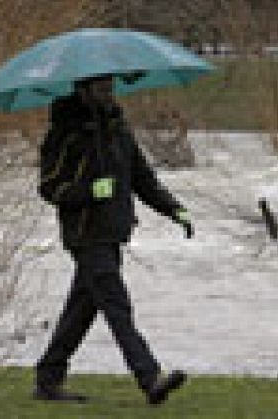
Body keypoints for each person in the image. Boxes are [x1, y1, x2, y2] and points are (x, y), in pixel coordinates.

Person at [34, 75, 193, 405]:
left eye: (110, 86)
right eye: (101, 87)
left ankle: (48, 378)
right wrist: (89, 192)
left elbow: (141, 177)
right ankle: (150, 378)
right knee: (117, 306)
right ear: (82, 90)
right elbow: (50, 186)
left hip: (113, 231)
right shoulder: (64, 134)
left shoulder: (118, 129)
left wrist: (174, 209)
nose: (109, 92)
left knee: (83, 308)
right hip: (85, 234)